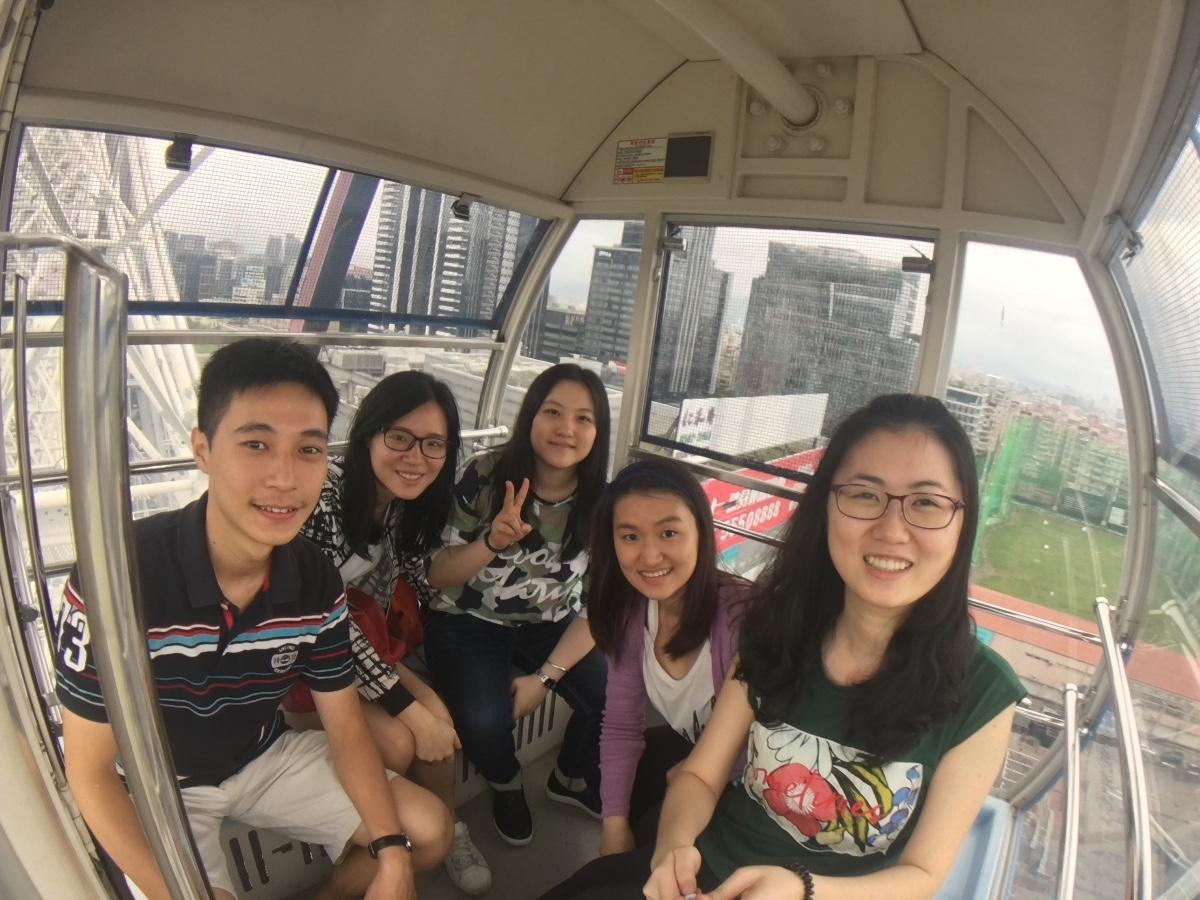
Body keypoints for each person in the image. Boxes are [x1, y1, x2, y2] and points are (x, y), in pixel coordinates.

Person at [540, 393, 1026, 900]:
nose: (891, 530)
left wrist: (802, 888)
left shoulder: (983, 692)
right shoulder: (776, 631)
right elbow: (700, 776)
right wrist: (674, 850)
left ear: (963, 522)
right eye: (864, 495)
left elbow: (922, 876)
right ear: (826, 509)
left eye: (926, 502)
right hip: (707, 869)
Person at [54, 339, 452, 900]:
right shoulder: (120, 577)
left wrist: (391, 853)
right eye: (256, 444)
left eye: (308, 450)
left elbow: (345, 728)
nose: (284, 478)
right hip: (159, 784)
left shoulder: (312, 576)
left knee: (427, 833)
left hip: (263, 754)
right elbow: (91, 771)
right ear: (202, 449)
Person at [291, 370, 492, 895]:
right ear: (368, 436)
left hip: (363, 651)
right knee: (402, 740)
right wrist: (403, 704)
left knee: (439, 719)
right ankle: (371, 865)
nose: (416, 457)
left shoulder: (398, 510)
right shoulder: (324, 498)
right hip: (299, 667)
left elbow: (417, 583)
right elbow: (322, 620)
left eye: (433, 444)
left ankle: (446, 831)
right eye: (400, 438)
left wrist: (492, 542)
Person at [422, 363, 611, 847]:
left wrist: (545, 679)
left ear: (599, 432)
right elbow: (437, 574)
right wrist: (491, 541)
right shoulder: (485, 475)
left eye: (584, 418)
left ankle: (569, 776)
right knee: (485, 719)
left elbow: (598, 608)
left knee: (614, 695)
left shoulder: (602, 504)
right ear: (531, 415)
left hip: (552, 619)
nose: (566, 429)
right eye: (553, 412)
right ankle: (506, 785)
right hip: (468, 616)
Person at [586, 457, 747, 857]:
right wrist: (613, 825)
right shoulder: (631, 613)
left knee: (653, 829)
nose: (650, 556)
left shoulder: (742, 619)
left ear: (701, 532)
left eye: (669, 533)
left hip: (755, 784)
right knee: (611, 788)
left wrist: (699, 771)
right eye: (630, 537)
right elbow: (621, 726)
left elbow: (777, 741)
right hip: (696, 754)